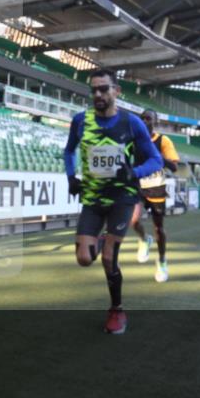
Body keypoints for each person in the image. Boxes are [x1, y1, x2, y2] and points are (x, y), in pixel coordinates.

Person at [64, 70, 163, 335]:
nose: (98, 94)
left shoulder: (132, 123)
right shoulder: (80, 121)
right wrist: (71, 176)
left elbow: (156, 160)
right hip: (93, 197)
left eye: (103, 89)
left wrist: (134, 173)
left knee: (109, 258)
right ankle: (97, 241)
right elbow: (68, 149)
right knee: (84, 259)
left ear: (116, 91)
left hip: (122, 197)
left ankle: (116, 310)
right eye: (94, 90)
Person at [130, 110, 180, 282]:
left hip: (156, 188)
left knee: (158, 228)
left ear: (155, 122)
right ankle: (144, 240)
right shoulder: (134, 139)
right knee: (134, 220)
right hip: (138, 185)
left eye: (148, 119)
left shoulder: (163, 141)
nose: (144, 121)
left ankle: (162, 261)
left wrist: (159, 158)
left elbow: (174, 167)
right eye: (142, 118)